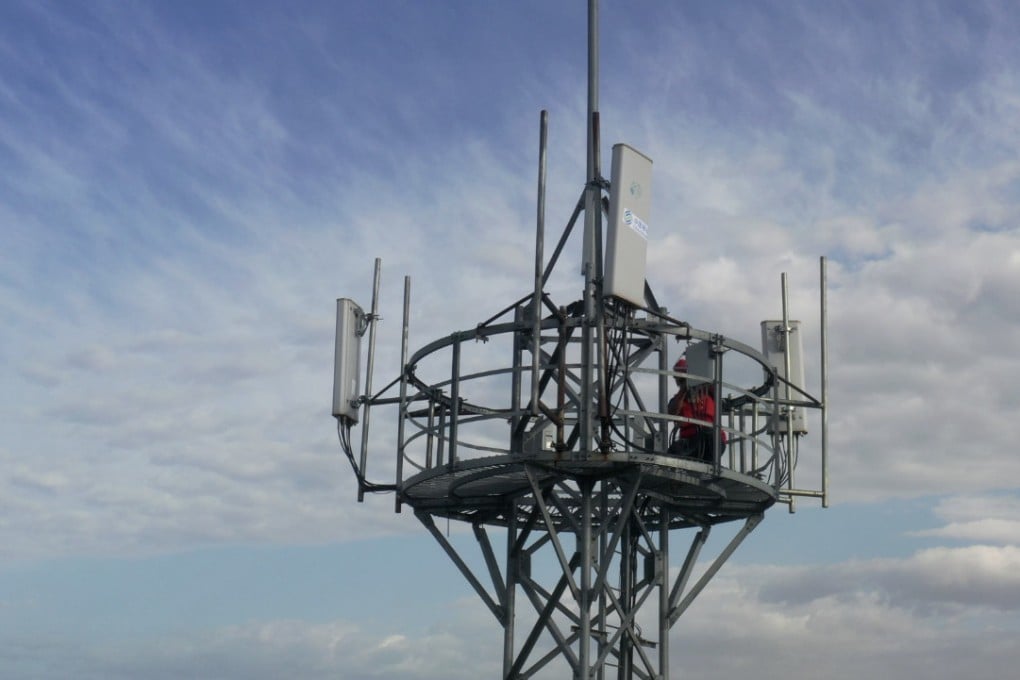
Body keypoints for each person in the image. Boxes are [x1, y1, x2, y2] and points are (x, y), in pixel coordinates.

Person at [667, 357, 724, 462]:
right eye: (679, 379)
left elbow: (715, 388)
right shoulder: (678, 399)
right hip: (690, 442)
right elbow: (671, 412)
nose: (679, 382)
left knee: (709, 436)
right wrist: (684, 389)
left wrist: (698, 377)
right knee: (673, 452)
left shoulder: (708, 393)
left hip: (712, 440)